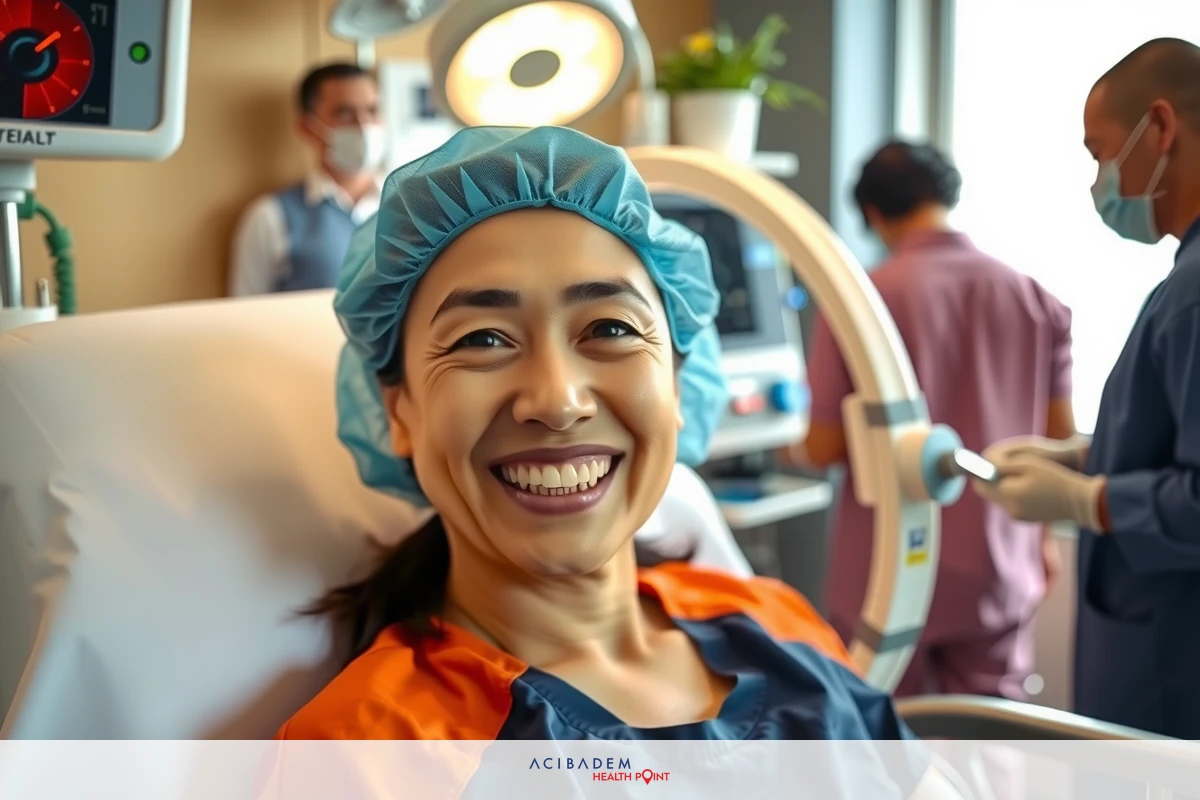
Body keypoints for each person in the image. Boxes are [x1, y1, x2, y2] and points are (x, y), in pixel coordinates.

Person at [272, 126, 940, 763]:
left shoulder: (771, 619)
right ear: (400, 411)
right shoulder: (371, 750)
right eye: (482, 339)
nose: (559, 400)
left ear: (679, 386)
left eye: (612, 328)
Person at [785, 140, 1076, 701]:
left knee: (891, 747)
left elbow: (822, 448)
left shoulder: (863, 298)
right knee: (995, 742)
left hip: (890, 569)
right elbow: (1060, 443)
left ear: (872, 213)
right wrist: (1042, 542)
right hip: (1000, 560)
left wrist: (779, 450)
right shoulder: (1034, 297)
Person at [975, 37, 1200, 739]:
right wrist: (1081, 455)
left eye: (1099, 151)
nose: (1100, 177)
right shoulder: (1182, 283)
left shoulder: (1194, 296)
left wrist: (1085, 497)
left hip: (1171, 669)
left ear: (1160, 128)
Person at [228, 62, 386, 297]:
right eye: (344, 113)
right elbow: (242, 317)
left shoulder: (413, 207)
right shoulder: (270, 217)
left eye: (372, 110)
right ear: (308, 127)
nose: (363, 125)